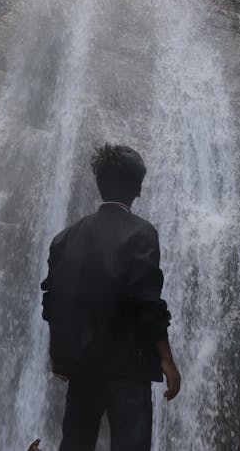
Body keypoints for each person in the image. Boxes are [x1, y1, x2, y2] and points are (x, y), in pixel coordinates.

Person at [41, 143, 181, 451]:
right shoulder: (141, 233)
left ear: (100, 185)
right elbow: (146, 301)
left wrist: (59, 353)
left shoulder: (65, 238)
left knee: (75, 444)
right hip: (128, 370)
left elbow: (53, 300)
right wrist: (167, 359)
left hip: (82, 368)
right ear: (138, 189)